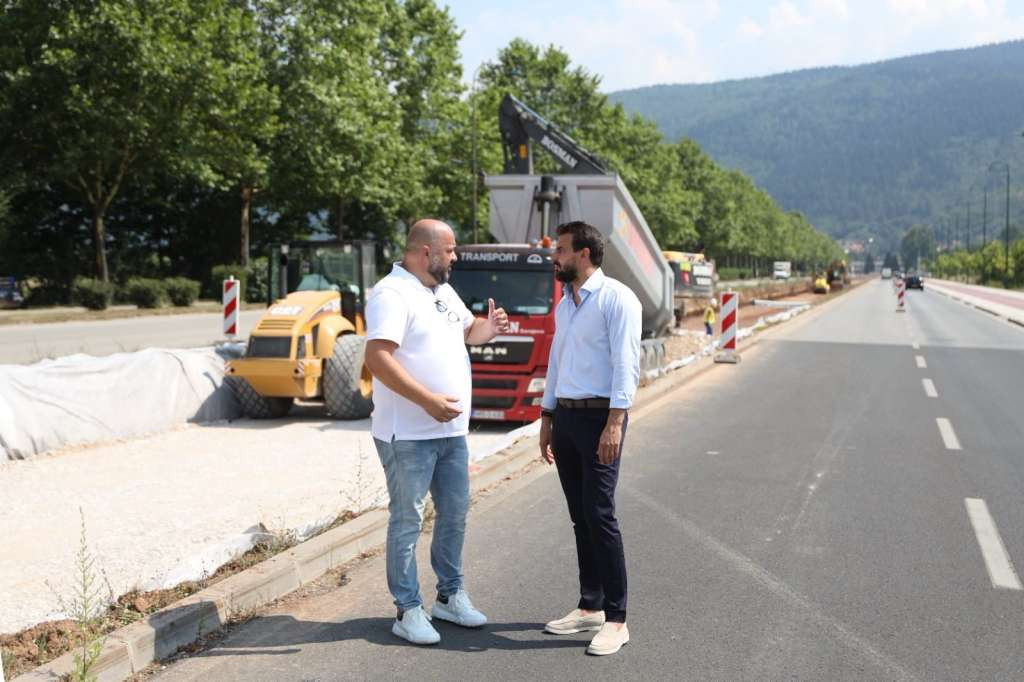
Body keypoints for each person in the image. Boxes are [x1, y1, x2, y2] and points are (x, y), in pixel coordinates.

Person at [364, 218, 510, 645]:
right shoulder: (391, 294)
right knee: (407, 519)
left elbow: (468, 331)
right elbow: (378, 358)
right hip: (407, 432)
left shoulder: (442, 291)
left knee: (455, 515)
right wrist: (428, 400)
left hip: (450, 432)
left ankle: (448, 597)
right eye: (450, 250)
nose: (455, 256)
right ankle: (407, 608)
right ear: (425, 251)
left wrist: (489, 329)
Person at [537, 220, 642, 656]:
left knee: (600, 514)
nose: (554, 257)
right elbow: (556, 363)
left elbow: (625, 364)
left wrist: (615, 422)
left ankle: (617, 619)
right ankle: (590, 606)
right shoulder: (566, 304)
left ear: (583, 254)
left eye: (560, 249)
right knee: (580, 515)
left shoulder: (617, 299)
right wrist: (546, 417)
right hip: (566, 418)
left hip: (602, 417)